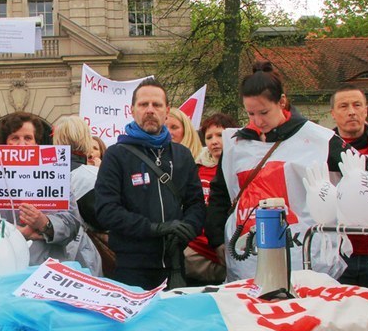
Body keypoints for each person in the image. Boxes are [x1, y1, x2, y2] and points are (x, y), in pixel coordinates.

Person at [206, 61, 355, 282]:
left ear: (282, 101)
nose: (258, 121)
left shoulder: (319, 139)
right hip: (248, 257)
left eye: (264, 112)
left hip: (305, 254)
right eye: (250, 113)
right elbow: (220, 194)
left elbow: (359, 174)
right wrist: (217, 239)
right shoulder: (235, 144)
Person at [93, 78, 205, 290]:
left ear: (167, 111)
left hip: (175, 266)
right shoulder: (116, 155)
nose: (150, 110)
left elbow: (196, 204)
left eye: (157, 105)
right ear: (132, 109)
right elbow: (106, 210)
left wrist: (188, 228)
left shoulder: (182, 155)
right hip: (132, 269)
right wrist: (154, 229)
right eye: (144, 104)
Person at [0, 112, 84, 268]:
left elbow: (73, 223)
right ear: (4, 143)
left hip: (46, 269)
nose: (22, 144)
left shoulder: (57, 179)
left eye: (28, 138)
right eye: (15, 138)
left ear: (37, 143)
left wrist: (45, 223)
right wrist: (14, 232)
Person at [329, 85, 368, 290]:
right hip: (335, 252)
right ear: (333, 114)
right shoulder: (320, 147)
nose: (351, 111)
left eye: (357, 105)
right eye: (344, 106)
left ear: (365, 110)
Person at [185, 113, 238, 285]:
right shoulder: (196, 169)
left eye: (220, 135)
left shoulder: (241, 167)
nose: (214, 141)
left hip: (233, 246)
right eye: (209, 137)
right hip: (198, 248)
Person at [52, 115, 104, 276]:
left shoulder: (47, 174)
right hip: (82, 259)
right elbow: (104, 220)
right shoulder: (90, 176)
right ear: (85, 139)